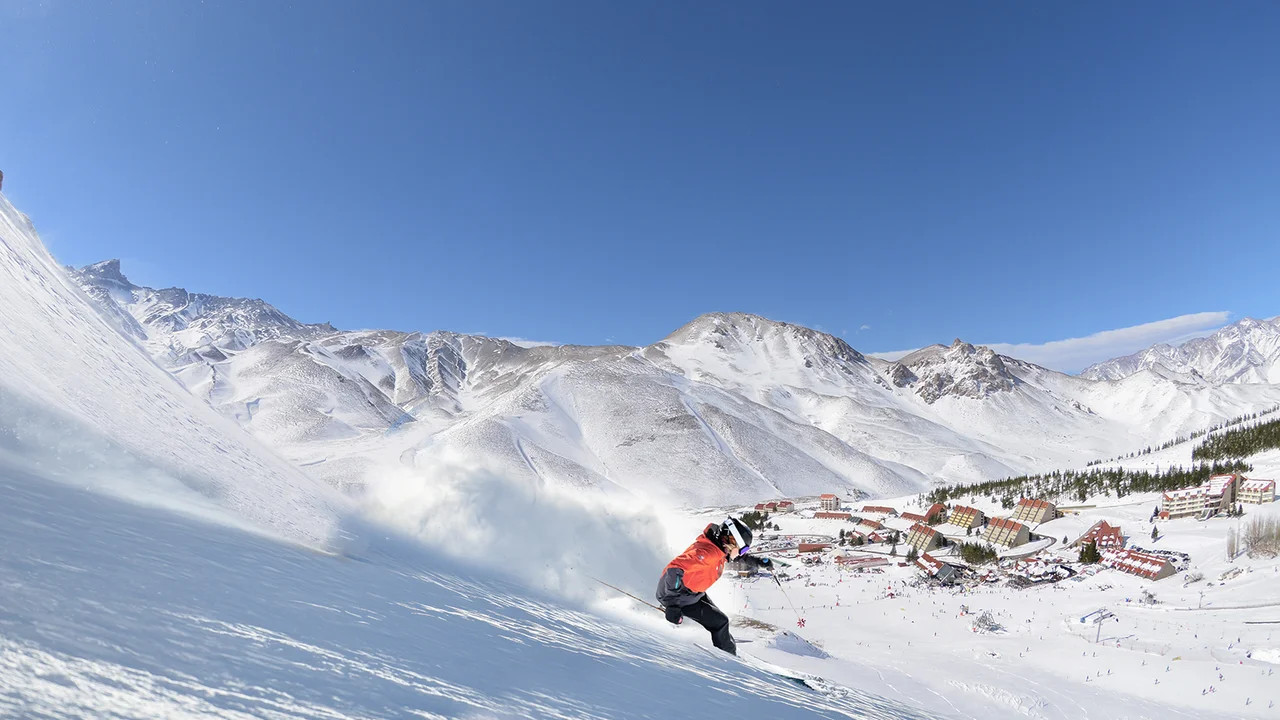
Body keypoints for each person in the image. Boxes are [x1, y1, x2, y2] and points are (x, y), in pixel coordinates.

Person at [655, 516, 771, 655]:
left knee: (721, 621)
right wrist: (672, 604)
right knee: (720, 622)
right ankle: (729, 660)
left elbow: (735, 556)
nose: (741, 553)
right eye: (742, 549)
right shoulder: (708, 553)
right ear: (731, 541)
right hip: (679, 596)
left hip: (694, 593)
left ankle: (730, 649)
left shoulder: (718, 547)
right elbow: (674, 569)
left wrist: (758, 561)